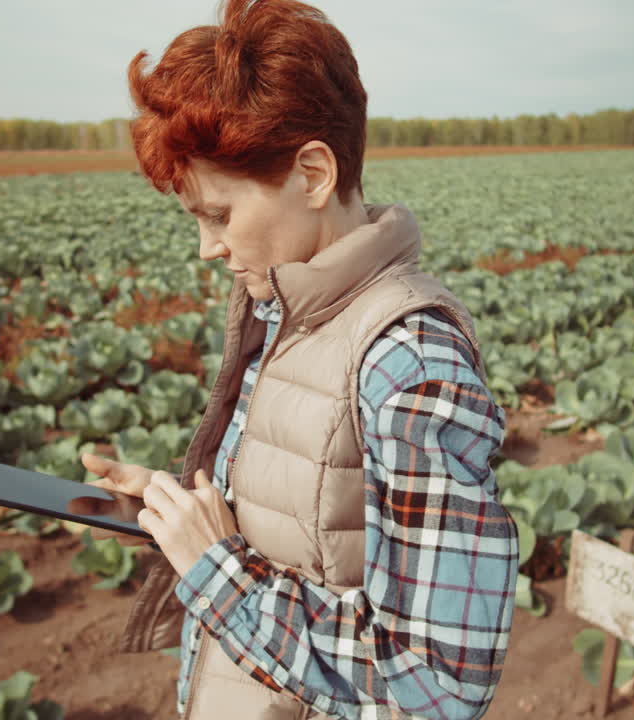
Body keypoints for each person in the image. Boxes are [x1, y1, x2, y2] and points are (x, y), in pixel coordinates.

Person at [74, 1, 519, 717]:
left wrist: (218, 571)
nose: (207, 249)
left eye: (219, 215)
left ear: (313, 174)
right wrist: (173, 516)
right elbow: (303, 534)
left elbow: (439, 686)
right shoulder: (286, 313)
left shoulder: (409, 363)